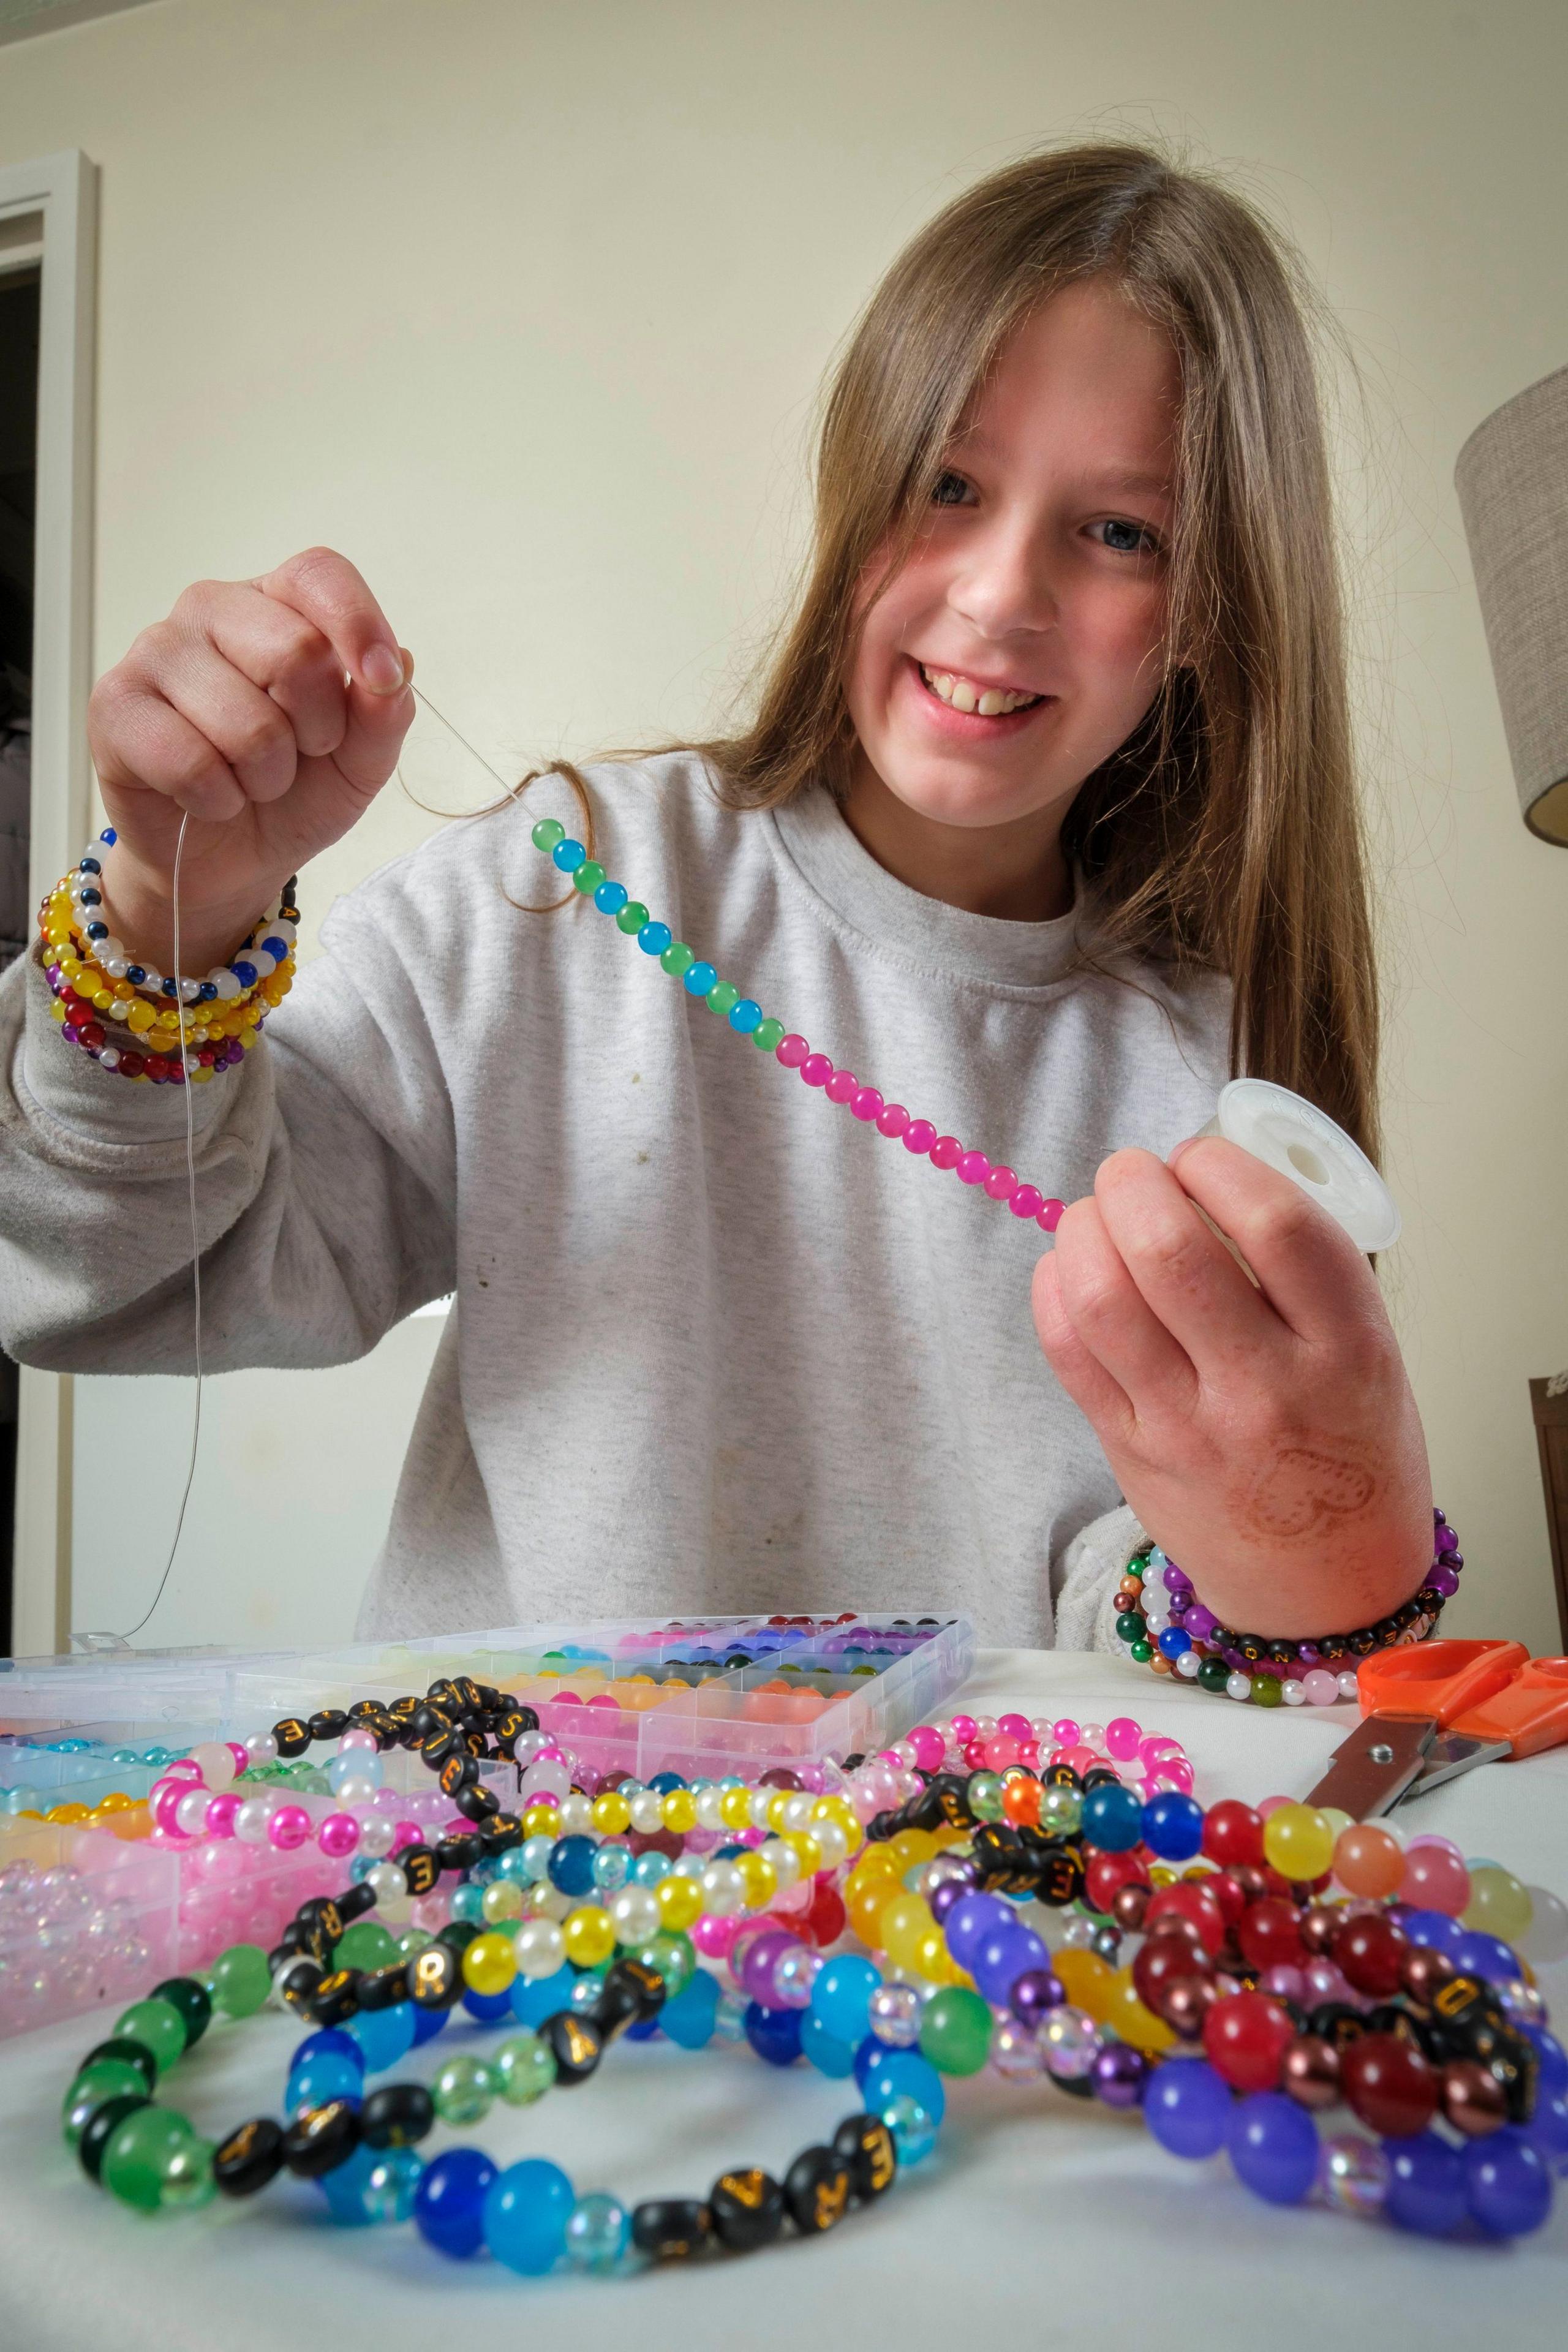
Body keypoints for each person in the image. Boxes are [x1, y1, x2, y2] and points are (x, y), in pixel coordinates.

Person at [0, 143, 1431, 1656]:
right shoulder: (563, 891)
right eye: (946, 483)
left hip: (949, 1887)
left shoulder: (1197, 1069)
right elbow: (103, 1287)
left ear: (1208, 608)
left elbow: (1134, 1601)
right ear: (854, 485)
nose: (1000, 596)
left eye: (1118, 532)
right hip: (507, 1868)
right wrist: (173, 907)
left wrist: (1293, 1555)